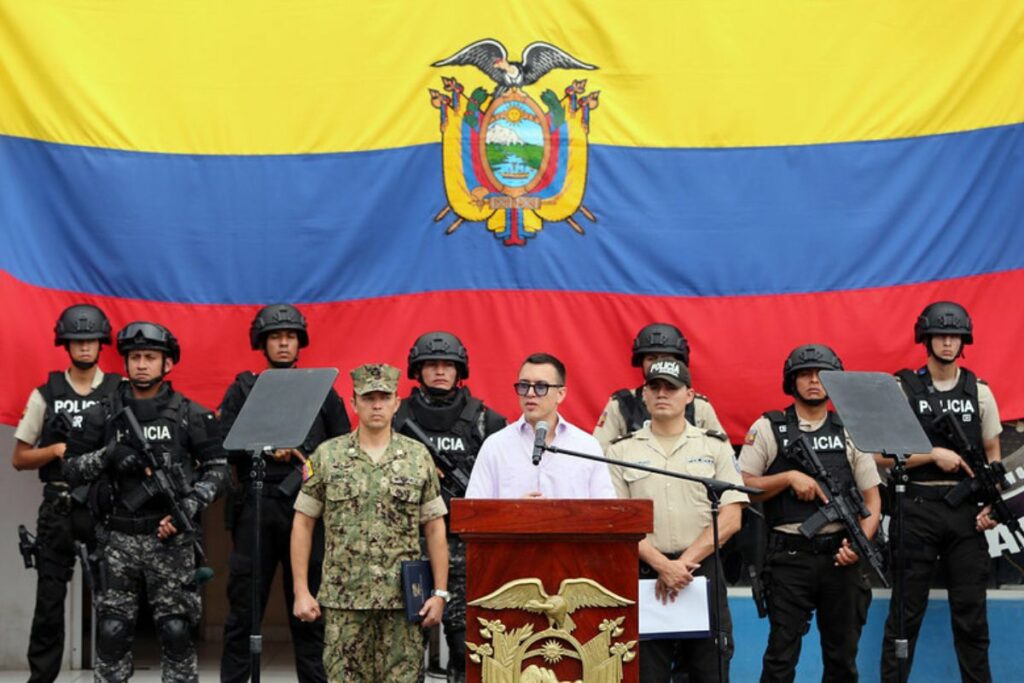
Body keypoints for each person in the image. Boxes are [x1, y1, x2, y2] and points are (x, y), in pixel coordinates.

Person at [63, 321, 229, 682]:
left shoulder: (192, 415)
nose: (141, 364)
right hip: (117, 538)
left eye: (150, 357)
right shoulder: (100, 415)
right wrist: (108, 455)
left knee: (176, 631)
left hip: (170, 540)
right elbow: (71, 469)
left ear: (167, 364)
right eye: (135, 357)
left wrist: (187, 506)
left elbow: (219, 470)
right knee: (111, 632)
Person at [292, 363, 449, 682]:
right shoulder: (327, 456)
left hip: (403, 605)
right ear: (354, 403)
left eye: (383, 397)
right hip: (344, 603)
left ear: (397, 402)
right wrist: (300, 591)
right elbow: (303, 523)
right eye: (368, 397)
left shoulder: (418, 458)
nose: (376, 405)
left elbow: (434, 528)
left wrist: (440, 593)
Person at [220, 304, 351, 683]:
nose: (283, 343)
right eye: (276, 337)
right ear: (263, 343)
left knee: (310, 611)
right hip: (256, 509)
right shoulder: (244, 388)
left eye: (290, 337)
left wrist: (305, 458)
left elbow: (341, 447)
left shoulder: (321, 391)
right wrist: (260, 447)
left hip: (307, 511)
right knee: (243, 612)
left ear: (300, 343)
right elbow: (223, 443)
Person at [738, 344, 880, 683]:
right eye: (805, 374)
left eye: (822, 374)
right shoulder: (770, 427)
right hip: (789, 557)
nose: (814, 381)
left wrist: (860, 545)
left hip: (840, 558)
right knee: (780, 658)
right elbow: (741, 486)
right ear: (792, 380)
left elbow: (873, 501)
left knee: (843, 658)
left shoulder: (849, 430)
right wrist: (787, 477)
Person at [880, 302, 1001, 683]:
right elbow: (880, 454)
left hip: (966, 512)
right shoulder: (903, 388)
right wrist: (931, 454)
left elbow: (993, 459)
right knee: (904, 615)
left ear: (963, 341)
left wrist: (992, 505)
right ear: (926, 339)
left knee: (971, 616)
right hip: (915, 506)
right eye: (940, 335)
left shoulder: (978, 392)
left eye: (954, 336)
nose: (948, 342)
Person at [607, 358, 748, 682]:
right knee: (645, 673)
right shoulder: (621, 451)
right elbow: (617, 522)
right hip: (644, 573)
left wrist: (680, 564)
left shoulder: (714, 446)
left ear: (690, 395)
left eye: (671, 387)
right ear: (643, 394)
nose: (662, 393)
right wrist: (661, 564)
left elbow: (732, 516)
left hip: (702, 571)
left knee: (709, 670)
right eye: (654, 387)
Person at [12, 304, 122, 683]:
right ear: (66, 344)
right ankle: (41, 678)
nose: (85, 347)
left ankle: (112, 676)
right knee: (49, 604)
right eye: (78, 340)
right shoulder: (47, 393)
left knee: (113, 602)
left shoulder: (117, 392)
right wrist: (56, 451)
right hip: (58, 505)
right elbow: (20, 457)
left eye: (91, 339)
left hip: (103, 505)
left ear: (101, 343)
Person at [394, 331, 506, 683]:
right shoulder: (397, 416)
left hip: (464, 544)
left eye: (448, 365)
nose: (440, 371)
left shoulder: (486, 420)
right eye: (431, 365)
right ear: (418, 369)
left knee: (466, 643)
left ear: (461, 370)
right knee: (406, 643)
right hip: (408, 542)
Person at [466, 352, 616, 499]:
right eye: (524, 385)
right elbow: (473, 515)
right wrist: (513, 514)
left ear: (561, 394)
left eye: (541, 386)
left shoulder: (586, 446)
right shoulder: (496, 446)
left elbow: (606, 514)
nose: (530, 393)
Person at [594, 323, 727, 451]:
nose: (659, 363)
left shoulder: (699, 406)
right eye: (651, 358)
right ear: (641, 363)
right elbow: (598, 457)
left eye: (666, 357)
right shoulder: (621, 405)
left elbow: (722, 455)